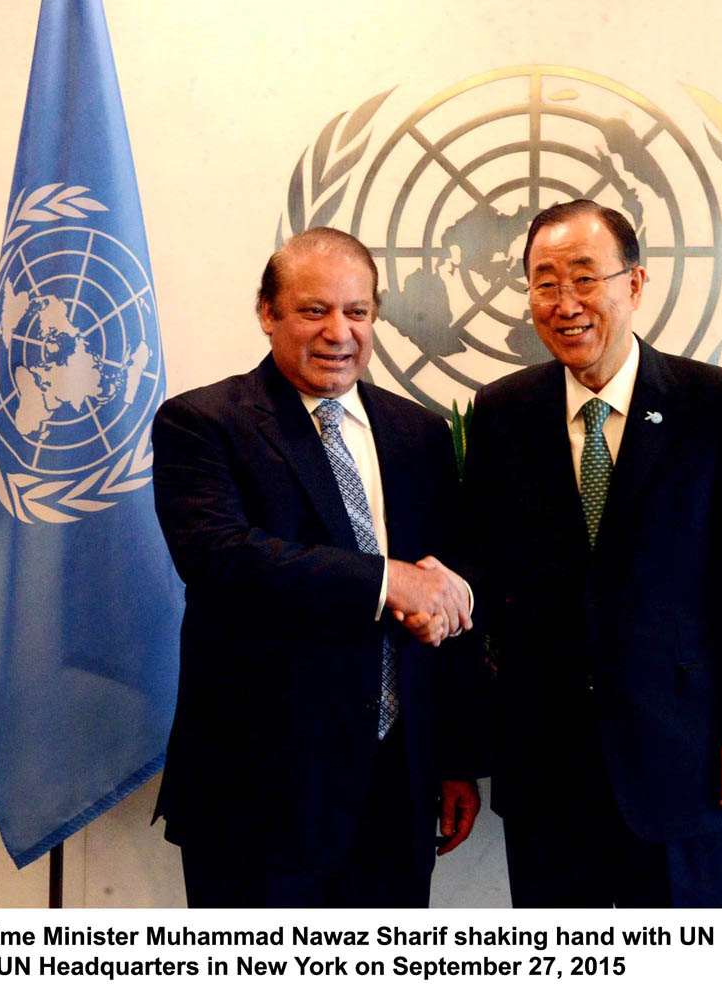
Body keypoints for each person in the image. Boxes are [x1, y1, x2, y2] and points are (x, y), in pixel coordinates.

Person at [464, 199, 722, 907]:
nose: (565, 302)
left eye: (585, 277)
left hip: (684, 759)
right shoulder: (502, 412)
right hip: (547, 763)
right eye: (545, 282)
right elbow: (484, 578)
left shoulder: (716, 404)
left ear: (634, 284)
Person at [152, 227, 480, 907]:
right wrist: (390, 582)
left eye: (357, 312)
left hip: (396, 789)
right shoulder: (202, 422)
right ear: (267, 313)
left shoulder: (418, 433)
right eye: (313, 310)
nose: (339, 331)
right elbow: (222, 558)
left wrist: (453, 762)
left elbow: (443, 579)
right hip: (257, 792)